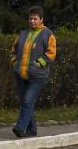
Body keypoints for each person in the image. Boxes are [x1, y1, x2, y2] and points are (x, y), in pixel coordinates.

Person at [11, 7, 58, 138]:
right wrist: (14, 63)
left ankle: (20, 128)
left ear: (41, 19)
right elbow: (13, 51)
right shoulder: (22, 33)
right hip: (21, 74)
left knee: (27, 100)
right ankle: (32, 130)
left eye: (35, 19)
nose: (32, 21)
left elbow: (51, 54)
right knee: (26, 102)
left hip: (38, 76)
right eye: (30, 18)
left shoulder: (48, 34)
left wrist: (38, 65)